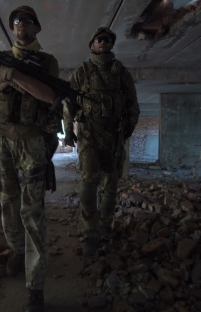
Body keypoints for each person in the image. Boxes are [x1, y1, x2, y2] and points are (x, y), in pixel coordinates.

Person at [0, 6, 61, 312]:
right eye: (16, 21)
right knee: (6, 199)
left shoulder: (48, 61)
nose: (20, 24)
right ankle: (15, 250)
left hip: (30, 140)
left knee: (32, 211)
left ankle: (35, 285)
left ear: (36, 28)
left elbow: (50, 96)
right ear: (12, 29)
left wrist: (16, 76)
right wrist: (3, 79)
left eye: (27, 21)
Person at [63, 27, 140, 258]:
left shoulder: (121, 73)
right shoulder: (82, 72)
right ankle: (89, 234)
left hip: (114, 137)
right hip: (89, 135)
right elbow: (69, 102)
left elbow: (133, 105)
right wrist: (68, 131)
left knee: (110, 184)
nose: (104, 43)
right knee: (88, 182)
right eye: (99, 39)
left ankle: (105, 226)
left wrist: (126, 131)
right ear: (92, 45)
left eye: (108, 40)